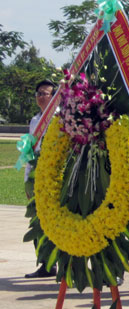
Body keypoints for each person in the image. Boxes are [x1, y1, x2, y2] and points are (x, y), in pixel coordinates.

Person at [24, 79, 58, 278]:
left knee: (56, 221)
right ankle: (45, 264)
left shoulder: (61, 116)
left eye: (45, 93)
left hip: (55, 173)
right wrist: (28, 178)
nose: (40, 96)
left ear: (54, 97)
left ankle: (61, 264)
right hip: (38, 173)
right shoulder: (34, 121)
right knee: (38, 221)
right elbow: (29, 151)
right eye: (38, 93)